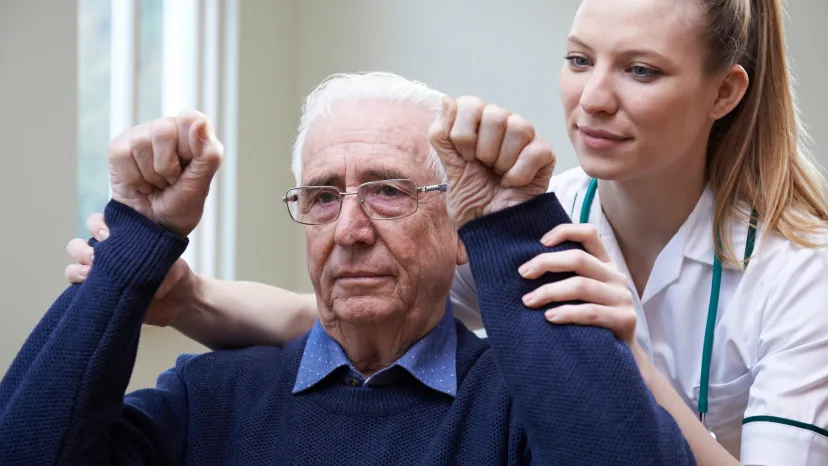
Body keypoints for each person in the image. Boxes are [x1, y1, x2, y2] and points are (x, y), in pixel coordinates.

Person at [64, 0, 828, 464]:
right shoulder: (527, 216)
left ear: (723, 91)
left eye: (641, 71)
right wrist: (173, 292)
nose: (592, 99)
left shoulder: (801, 273)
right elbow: (349, 303)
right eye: (577, 59)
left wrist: (620, 354)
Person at [0, 74, 695, 465]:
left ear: (460, 230)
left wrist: (514, 228)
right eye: (323, 196)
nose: (351, 232)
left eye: (389, 191)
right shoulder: (208, 400)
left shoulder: (521, 408)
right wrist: (137, 237)